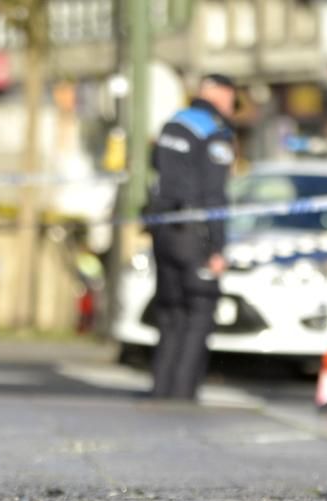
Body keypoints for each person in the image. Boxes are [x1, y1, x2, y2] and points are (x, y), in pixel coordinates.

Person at [144, 73, 236, 400]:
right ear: (221, 95)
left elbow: (155, 168)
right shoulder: (214, 131)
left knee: (170, 313)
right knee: (199, 311)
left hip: (163, 228)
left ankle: (161, 389)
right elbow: (214, 194)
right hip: (194, 235)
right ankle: (182, 395)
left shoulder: (172, 123)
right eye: (231, 96)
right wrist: (219, 247)